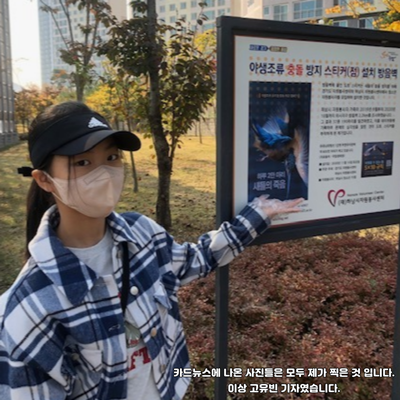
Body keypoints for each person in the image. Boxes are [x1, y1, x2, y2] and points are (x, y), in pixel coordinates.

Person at [0, 101, 302, 400]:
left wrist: (256, 216)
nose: (104, 174)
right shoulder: (29, 309)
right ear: (44, 180)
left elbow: (192, 260)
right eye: (82, 163)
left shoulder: (142, 233)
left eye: (112, 157)